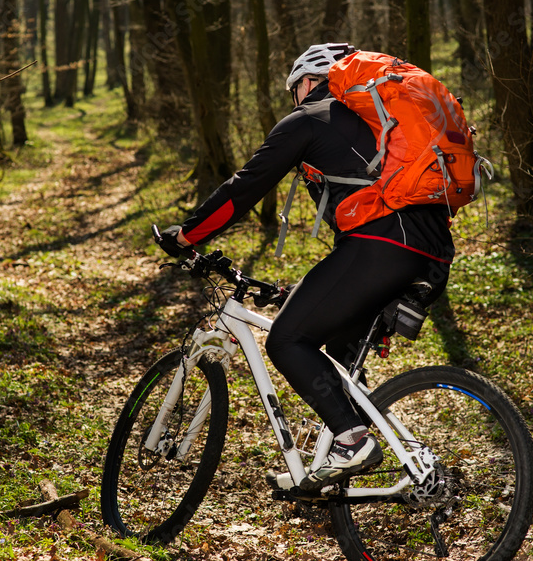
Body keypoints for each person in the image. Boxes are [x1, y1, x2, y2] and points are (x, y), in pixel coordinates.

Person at [156, 43, 455, 492]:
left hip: (383, 247)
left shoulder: (310, 117)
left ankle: (353, 441)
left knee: (287, 338)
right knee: (334, 349)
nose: (293, 98)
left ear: (307, 82)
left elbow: (246, 186)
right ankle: (342, 466)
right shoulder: (377, 124)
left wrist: (189, 235)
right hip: (429, 254)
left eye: (294, 89)